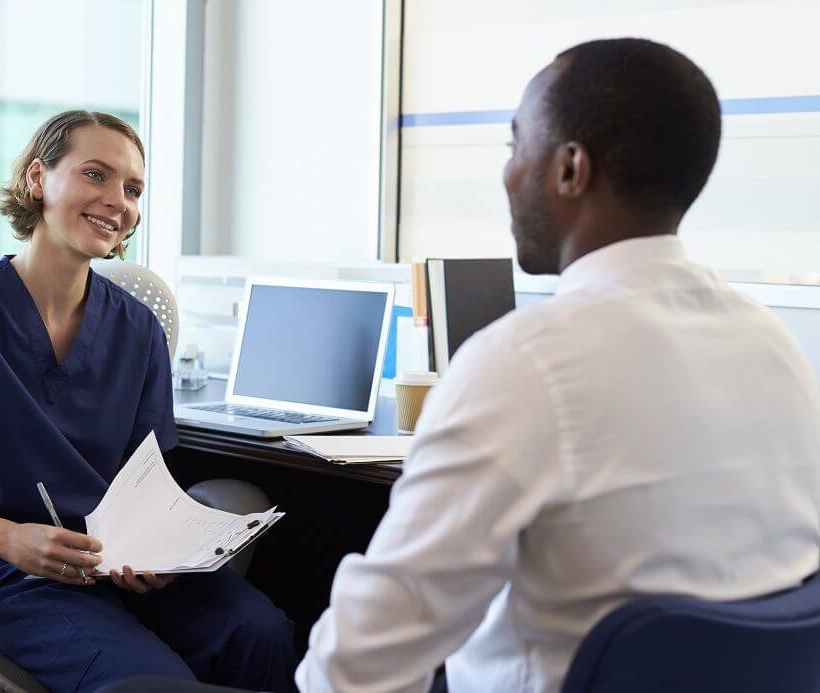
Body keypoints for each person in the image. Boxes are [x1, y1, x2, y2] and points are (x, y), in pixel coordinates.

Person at [296, 38, 820, 693]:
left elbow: (353, 671)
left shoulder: (524, 361)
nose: (508, 173)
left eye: (516, 145)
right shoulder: (774, 346)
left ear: (571, 168)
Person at [0, 110, 297, 692]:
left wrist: (158, 549)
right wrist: (9, 538)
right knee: (144, 683)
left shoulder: (138, 329)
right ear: (39, 179)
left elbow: (146, 481)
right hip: (9, 577)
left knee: (261, 632)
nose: (118, 200)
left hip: (114, 566)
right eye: (96, 175)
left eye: (132, 189)